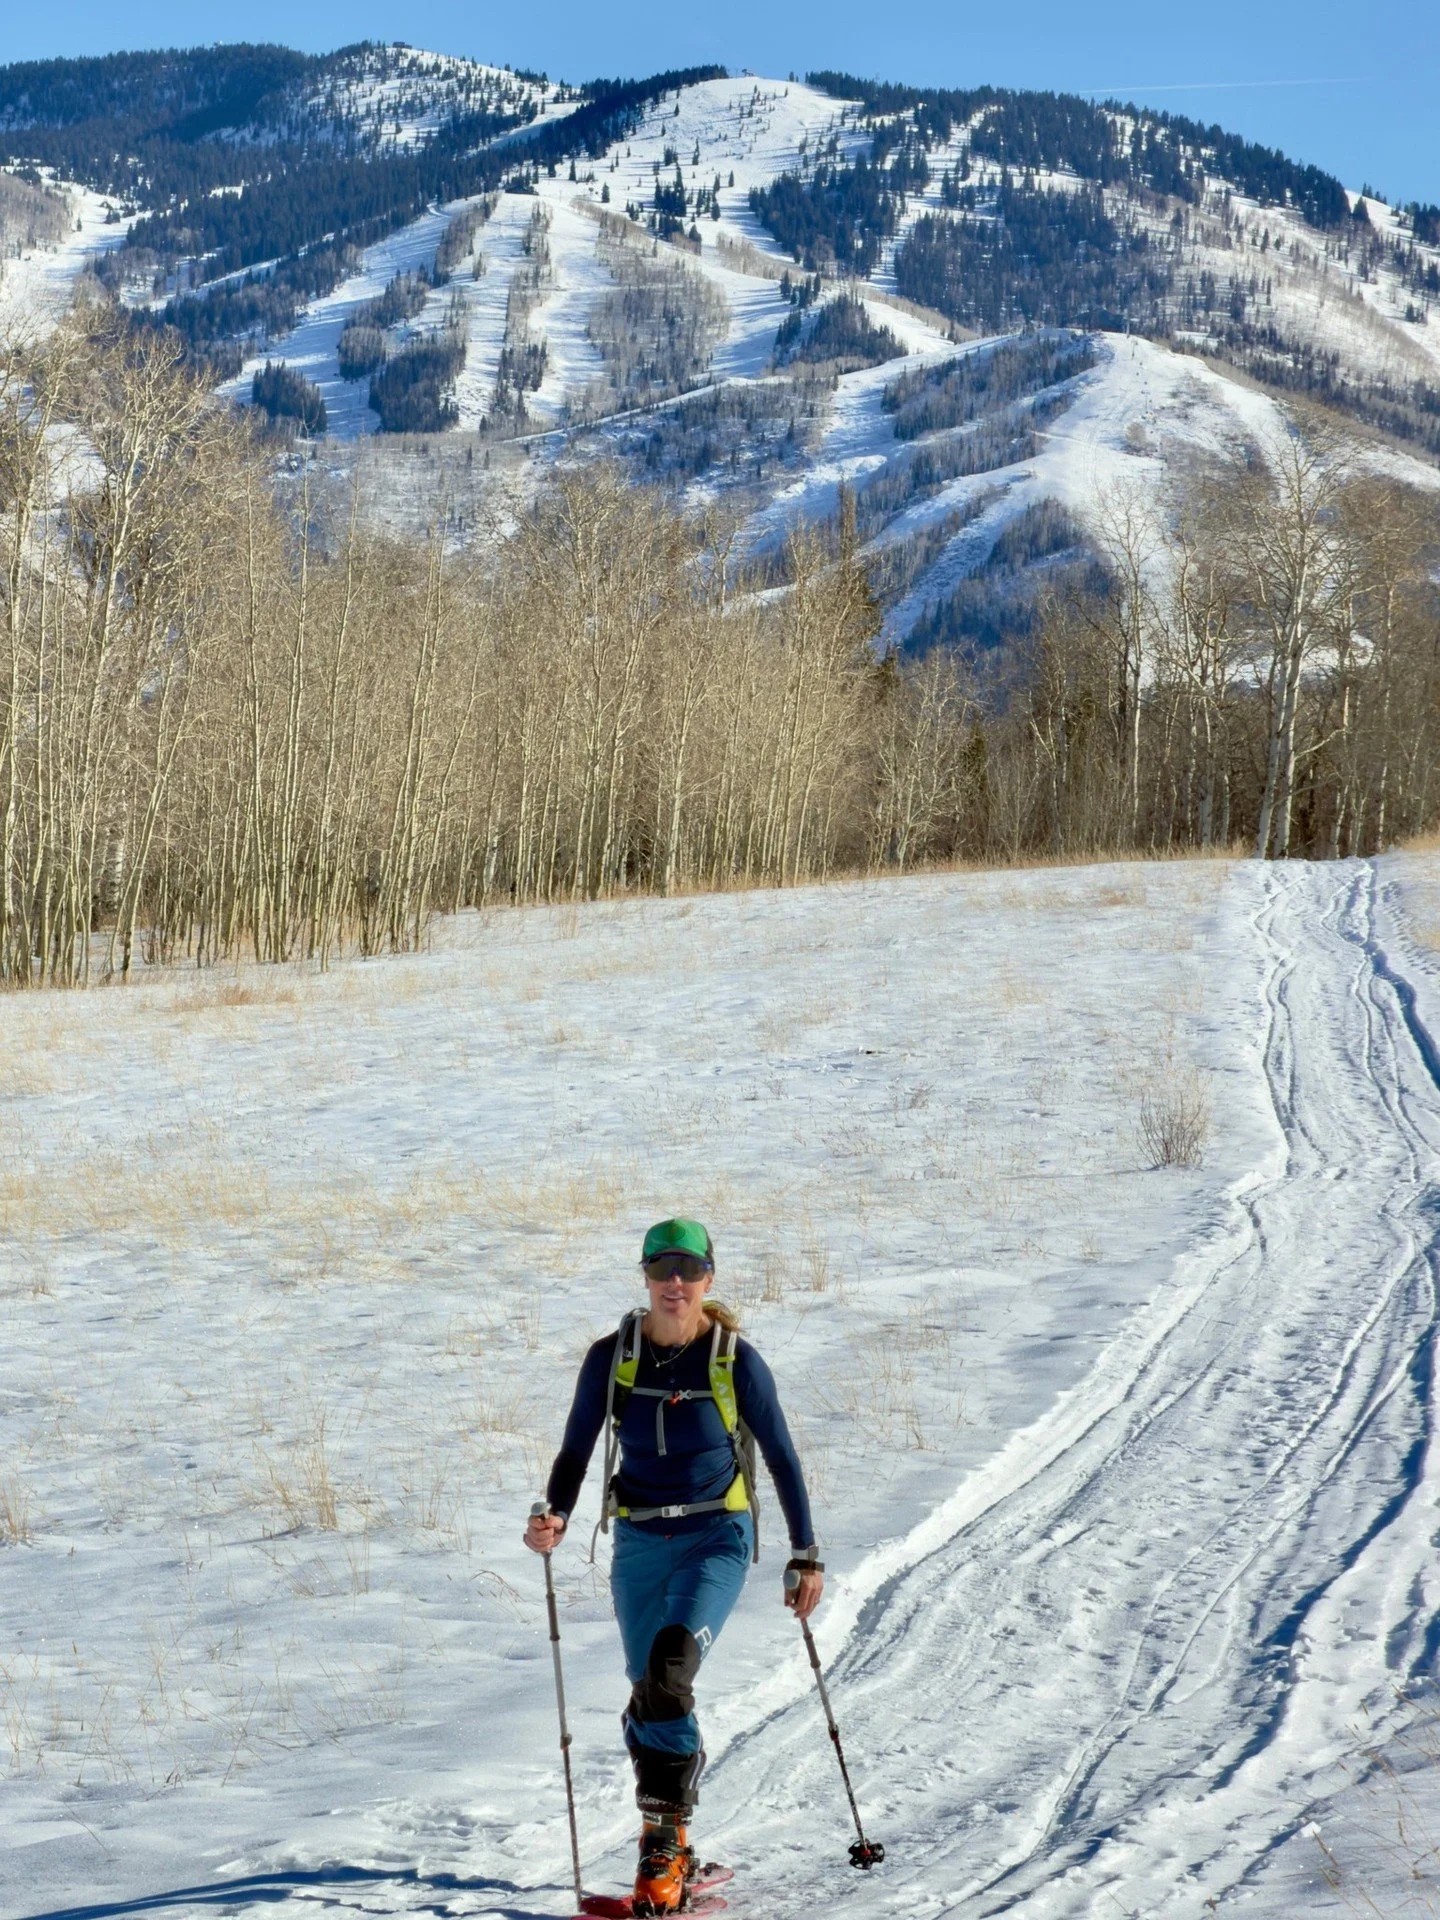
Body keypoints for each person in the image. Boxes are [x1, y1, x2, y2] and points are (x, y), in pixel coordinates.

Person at [525, 1217, 823, 1915]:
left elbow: (782, 1458)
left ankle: (659, 1848)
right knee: (649, 1694)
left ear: (708, 1277)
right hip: (637, 1539)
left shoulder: (733, 1360)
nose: (675, 1283)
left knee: (668, 1672)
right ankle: (674, 1847)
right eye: (662, 1269)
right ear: (645, 1276)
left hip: (716, 1536)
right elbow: (575, 1450)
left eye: (688, 1270)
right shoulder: (613, 1358)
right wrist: (556, 1515)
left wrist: (805, 1554)